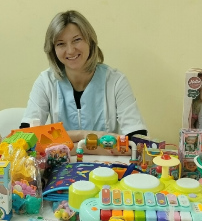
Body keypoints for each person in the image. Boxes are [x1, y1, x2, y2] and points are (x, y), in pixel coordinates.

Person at [21, 10, 147, 139]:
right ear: (53, 50)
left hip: (106, 154)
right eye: (61, 44)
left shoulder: (116, 81)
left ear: (90, 41)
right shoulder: (45, 81)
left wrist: (67, 139)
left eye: (77, 40)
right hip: (63, 154)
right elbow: (26, 136)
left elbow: (137, 138)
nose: (70, 51)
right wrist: (84, 135)